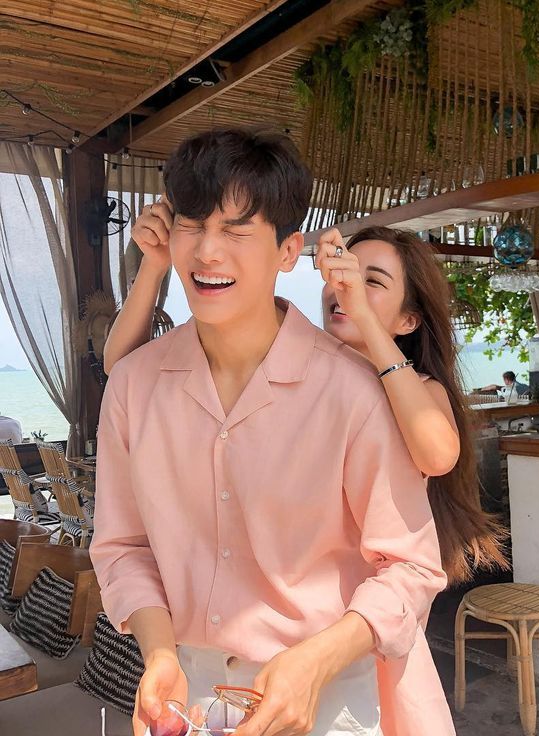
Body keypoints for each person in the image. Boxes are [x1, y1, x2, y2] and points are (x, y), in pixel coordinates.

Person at [90, 127, 449, 736]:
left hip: (326, 696)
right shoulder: (132, 386)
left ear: (288, 251)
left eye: (236, 231)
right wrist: (159, 653)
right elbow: (123, 548)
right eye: (191, 224)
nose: (208, 251)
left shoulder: (354, 391)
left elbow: (412, 568)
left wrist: (316, 662)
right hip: (188, 694)